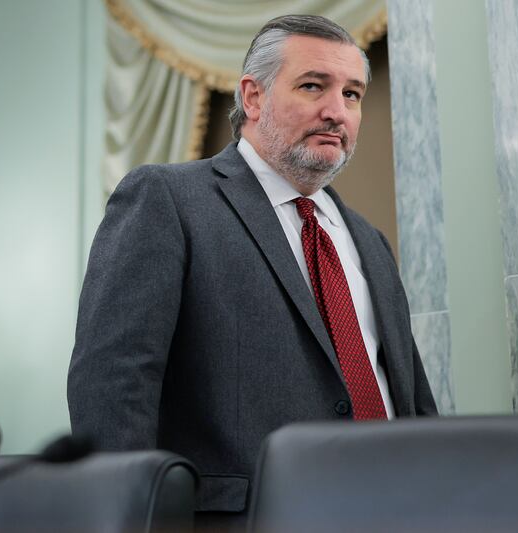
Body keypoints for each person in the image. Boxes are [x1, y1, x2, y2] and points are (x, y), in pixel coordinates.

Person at [68, 14, 437, 526]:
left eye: (352, 94)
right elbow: (114, 382)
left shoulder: (369, 242)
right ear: (254, 97)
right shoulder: (168, 199)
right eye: (313, 86)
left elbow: (413, 401)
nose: (338, 112)